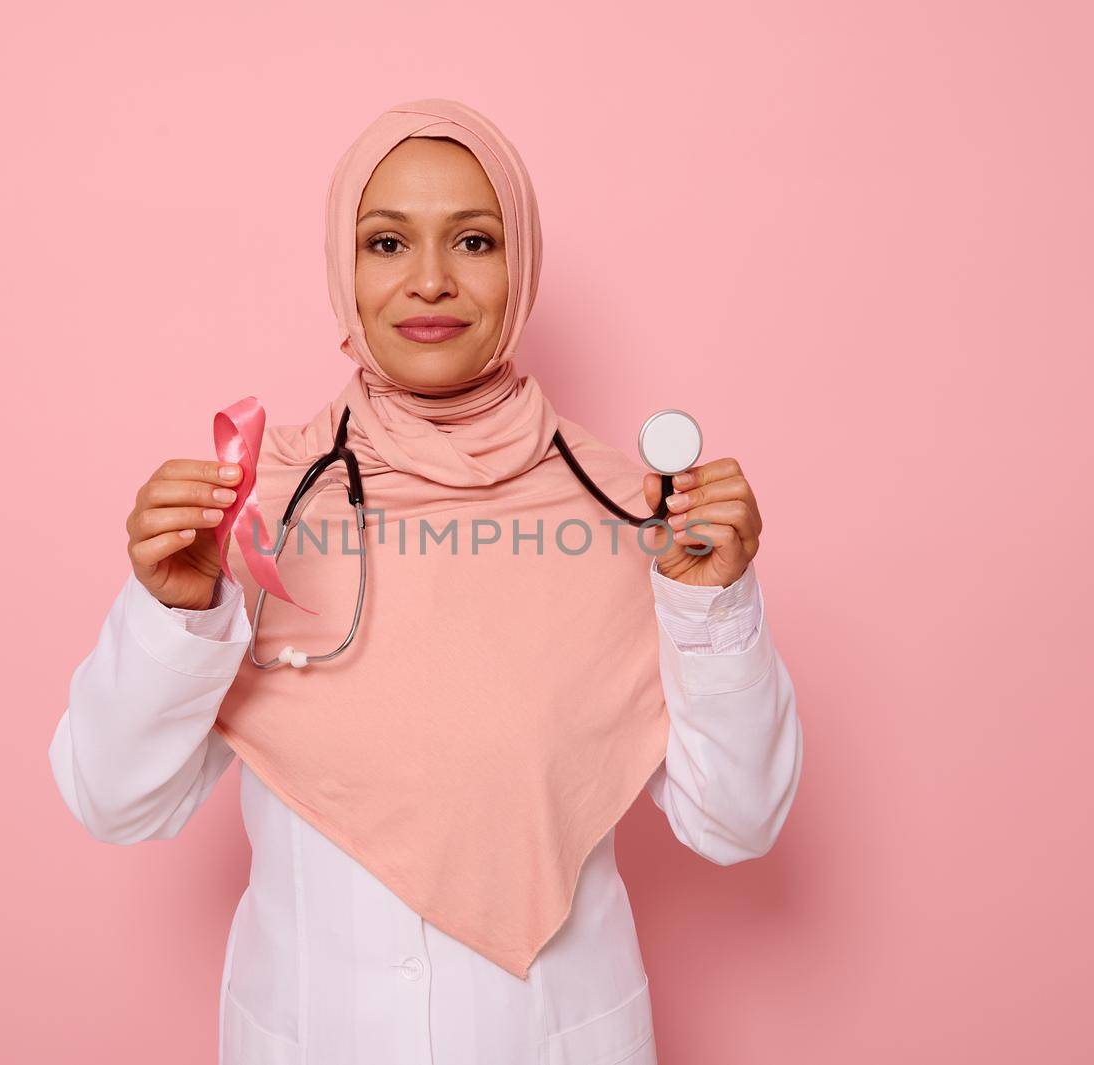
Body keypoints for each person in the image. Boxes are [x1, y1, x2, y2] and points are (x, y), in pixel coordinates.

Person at [48, 98, 802, 1065]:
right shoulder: (260, 502)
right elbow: (115, 799)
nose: (431, 280)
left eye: (476, 240)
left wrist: (715, 603)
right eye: (388, 240)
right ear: (344, 269)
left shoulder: (630, 511)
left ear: (519, 265)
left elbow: (735, 821)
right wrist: (175, 605)